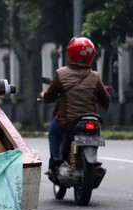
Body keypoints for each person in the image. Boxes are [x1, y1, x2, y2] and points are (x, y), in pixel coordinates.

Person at [41, 37, 111, 171]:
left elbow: (49, 97)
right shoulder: (95, 76)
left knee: (54, 133)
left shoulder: (61, 73)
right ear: (91, 55)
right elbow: (105, 101)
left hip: (66, 121)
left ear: (70, 54)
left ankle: (55, 160)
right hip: (91, 119)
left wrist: (43, 96)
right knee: (95, 133)